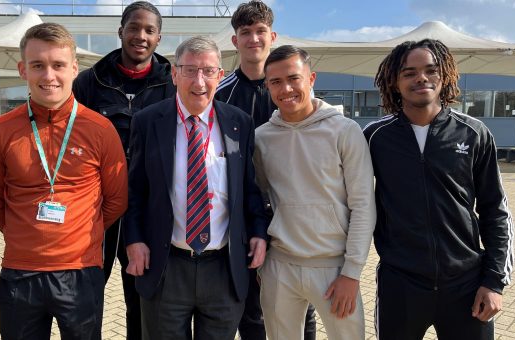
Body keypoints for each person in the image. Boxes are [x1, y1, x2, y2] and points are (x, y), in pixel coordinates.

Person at [0, 23, 128, 340]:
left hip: (81, 271)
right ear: (23, 70)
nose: (49, 76)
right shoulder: (1, 129)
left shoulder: (100, 129)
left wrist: (80, 235)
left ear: (74, 68)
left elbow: (116, 200)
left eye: (58, 65)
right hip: (20, 272)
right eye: (38, 65)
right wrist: (25, 235)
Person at [364, 38, 514, 339]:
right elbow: (354, 205)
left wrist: (494, 281)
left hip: (467, 285)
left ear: (443, 75)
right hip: (401, 285)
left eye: (430, 70)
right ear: (394, 81)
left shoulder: (474, 133)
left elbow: (495, 211)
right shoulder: (374, 138)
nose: (421, 78)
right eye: (409, 72)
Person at [124, 35, 269, 340]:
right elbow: (135, 189)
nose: (199, 81)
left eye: (208, 71)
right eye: (189, 70)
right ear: (174, 74)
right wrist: (134, 240)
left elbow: (249, 188)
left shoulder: (239, 123)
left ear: (220, 75)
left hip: (224, 268)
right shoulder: (148, 121)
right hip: (166, 266)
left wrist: (258, 231)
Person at [254, 45, 376, 340]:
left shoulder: (345, 131)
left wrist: (352, 272)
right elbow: (260, 198)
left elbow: (363, 206)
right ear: (267, 86)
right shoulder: (261, 138)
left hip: (334, 268)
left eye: (294, 78)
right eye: (276, 82)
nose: (286, 89)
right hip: (280, 265)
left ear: (311, 79)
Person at [72, 2, 174, 338]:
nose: (140, 36)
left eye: (149, 30)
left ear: (159, 38)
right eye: (134, 28)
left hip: (147, 211)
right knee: (86, 297)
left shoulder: (172, 85)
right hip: (95, 211)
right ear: (121, 32)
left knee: (142, 302)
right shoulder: (88, 82)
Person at [215, 2, 316, 339]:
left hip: (294, 214)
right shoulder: (220, 95)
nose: (253, 39)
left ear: (272, 36)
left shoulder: (293, 92)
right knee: (252, 309)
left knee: (304, 308)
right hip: (242, 215)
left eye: (260, 31)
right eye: (246, 33)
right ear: (235, 41)